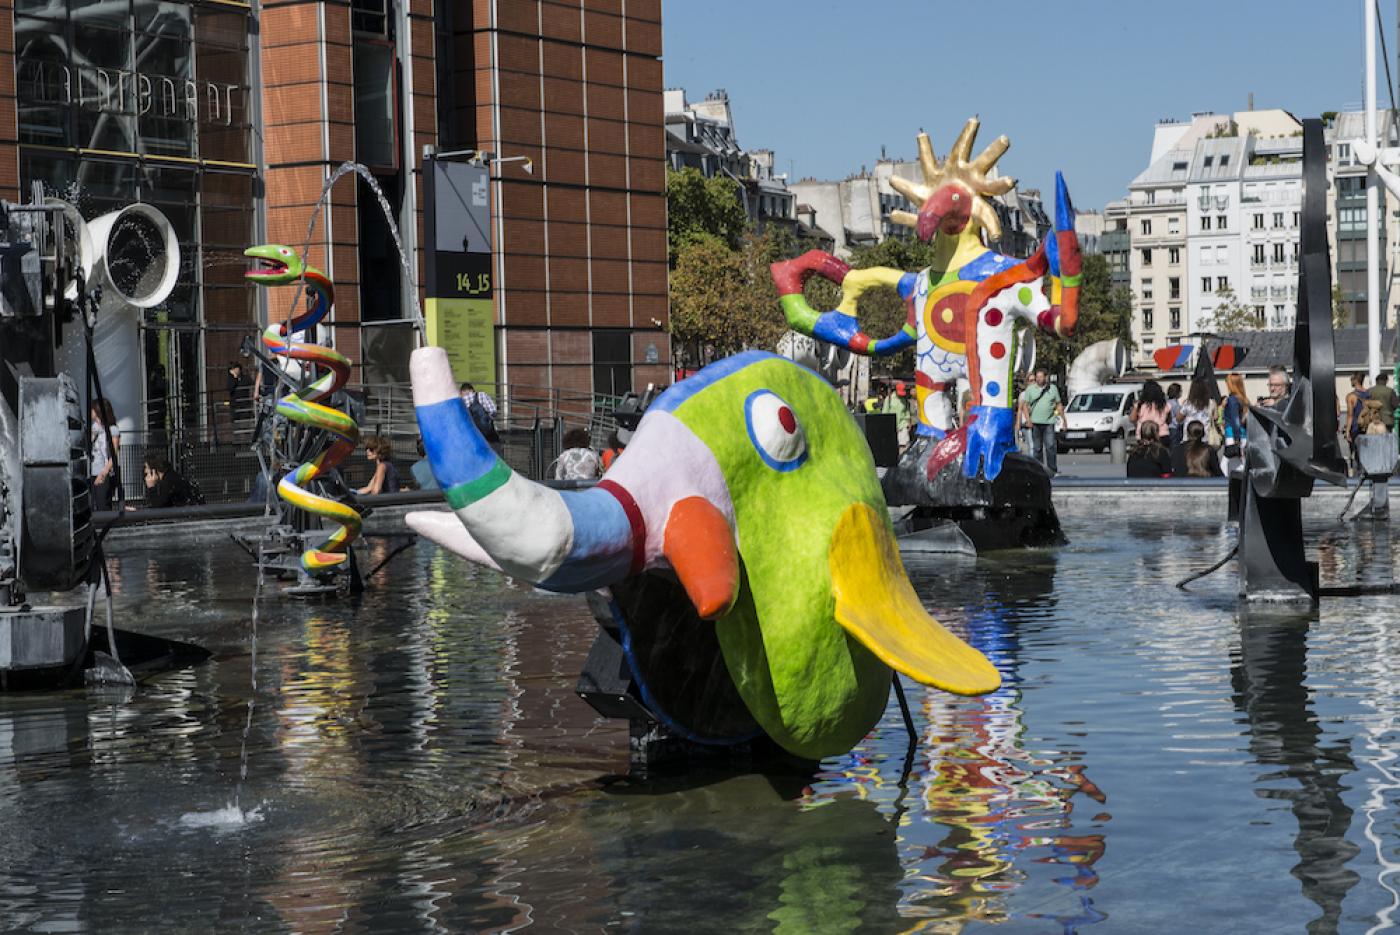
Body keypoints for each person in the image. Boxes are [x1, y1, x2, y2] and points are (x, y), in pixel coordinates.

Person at [1020, 367, 1066, 474]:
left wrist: (1064, 420)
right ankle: (1038, 470)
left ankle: (1052, 469)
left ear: (1046, 377)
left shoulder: (1052, 388)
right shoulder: (1030, 389)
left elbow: (1058, 404)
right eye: (1037, 377)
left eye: (1041, 377)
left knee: (1050, 446)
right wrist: (1028, 420)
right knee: (1037, 448)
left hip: (1049, 422)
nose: (1039, 379)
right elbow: (1025, 406)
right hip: (1035, 422)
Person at [90, 398, 120, 511]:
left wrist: (103, 474)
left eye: (93, 409)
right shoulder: (95, 428)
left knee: (102, 505)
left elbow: (113, 455)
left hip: (102, 473)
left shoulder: (112, 430)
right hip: (91, 470)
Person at [1177, 377, 1218, 445]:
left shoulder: (1187, 403)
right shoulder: (1211, 402)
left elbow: (1178, 419)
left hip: (1189, 437)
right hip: (1205, 437)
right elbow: (1215, 417)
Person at [883, 381, 913, 449]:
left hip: (903, 425)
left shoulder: (904, 400)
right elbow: (885, 413)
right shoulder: (889, 399)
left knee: (904, 444)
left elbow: (906, 412)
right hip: (892, 426)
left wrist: (909, 423)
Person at [1166, 383, 1184, 447]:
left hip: (1168, 427)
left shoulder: (1167, 402)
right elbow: (1178, 416)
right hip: (1175, 428)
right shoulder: (1175, 404)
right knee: (1175, 446)